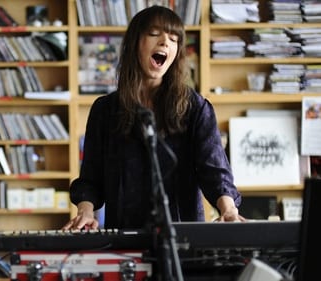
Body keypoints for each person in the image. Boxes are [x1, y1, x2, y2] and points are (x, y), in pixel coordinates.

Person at [63, 5, 245, 231]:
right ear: (134, 43)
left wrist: (228, 209)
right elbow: (91, 179)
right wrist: (85, 212)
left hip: (182, 240)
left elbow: (215, 171)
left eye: (173, 38)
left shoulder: (196, 108)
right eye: (154, 34)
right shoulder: (104, 110)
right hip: (123, 237)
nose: (165, 42)